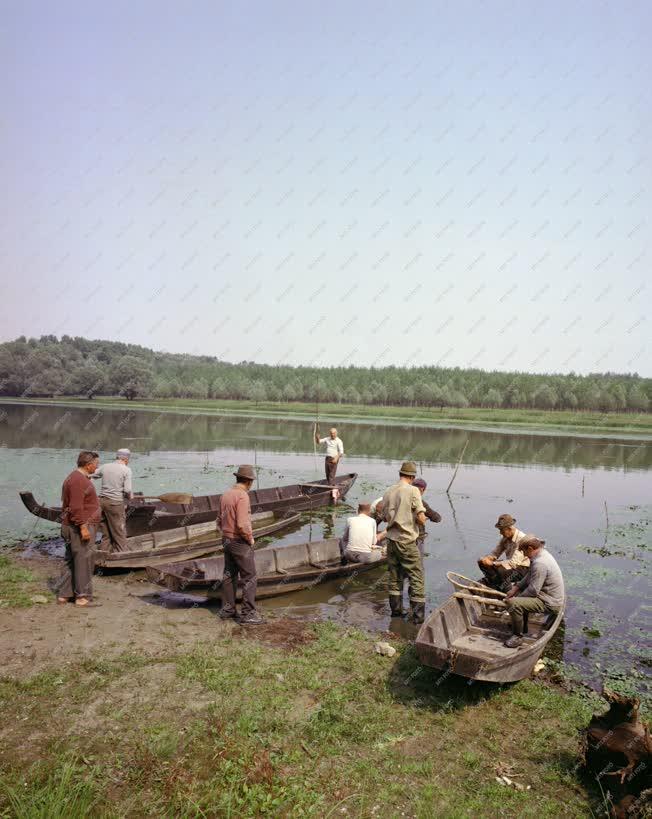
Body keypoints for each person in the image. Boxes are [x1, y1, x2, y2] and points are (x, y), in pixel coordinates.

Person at [216, 464, 263, 625]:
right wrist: (250, 539)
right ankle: (248, 613)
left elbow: (218, 521)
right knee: (250, 576)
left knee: (229, 575)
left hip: (226, 540)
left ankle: (227, 610)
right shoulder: (243, 496)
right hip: (239, 541)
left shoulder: (226, 494)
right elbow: (243, 524)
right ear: (249, 481)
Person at [381, 461, 427, 623]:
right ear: (412, 477)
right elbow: (421, 518)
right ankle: (418, 617)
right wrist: (422, 520)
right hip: (407, 541)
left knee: (394, 577)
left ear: (400, 474)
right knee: (416, 576)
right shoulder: (413, 490)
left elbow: (384, 515)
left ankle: (396, 613)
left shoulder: (389, 491)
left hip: (391, 541)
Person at [56, 450, 102, 607]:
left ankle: (65, 595)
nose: (98, 466)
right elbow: (76, 507)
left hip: (70, 525)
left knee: (70, 560)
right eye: (96, 464)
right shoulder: (78, 481)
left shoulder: (74, 477)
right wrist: (83, 527)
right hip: (79, 527)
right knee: (84, 560)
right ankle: (82, 597)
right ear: (89, 465)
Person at [503, 535, 565, 648]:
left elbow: (533, 591)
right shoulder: (541, 555)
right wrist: (515, 588)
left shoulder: (540, 563)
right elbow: (529, 575)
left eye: (524, 551)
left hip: (550, 602)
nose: (524, 555)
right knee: (517, 595)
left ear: (530, 548)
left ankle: (517, 636)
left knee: (513, 604)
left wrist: (516, 598)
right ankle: (522, 626)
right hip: (546, 595)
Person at [92, 448, 133, 552]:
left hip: (101, 502)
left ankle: (103, 554)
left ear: (117, 457)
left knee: (106, 532)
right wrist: (130, 496)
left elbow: (92, 476)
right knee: (119, 532)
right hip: (115, 503)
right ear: (127, 459)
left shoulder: (105, 466)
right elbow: (127, 489)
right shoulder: (126, 470)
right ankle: (123, 556)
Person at [477, 513, 529, 589]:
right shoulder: (505, 537)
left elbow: (513, 563)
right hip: (510, 565)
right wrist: (488, 558)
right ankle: (495, 583)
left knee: (501, 571)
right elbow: (496, 552)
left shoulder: (521, 539)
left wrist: (492, 563)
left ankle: (502, 586)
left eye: (502, 530)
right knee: (481, 562)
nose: (500, 533)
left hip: (522, 569)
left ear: (509, 529)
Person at [412, 478, 442, 558]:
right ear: (423, 490)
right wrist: (428, 517)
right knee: (418, 565)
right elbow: (437, 518)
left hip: (401, 537)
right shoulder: (421, 503)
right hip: (416, 538)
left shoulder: (402, 499)